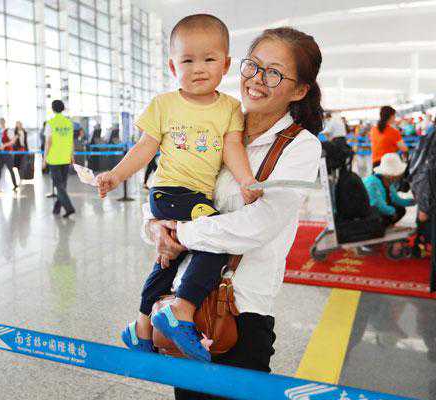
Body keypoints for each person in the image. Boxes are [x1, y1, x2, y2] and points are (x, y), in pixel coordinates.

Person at [137, 26, 323, 398]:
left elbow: (258, 225)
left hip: (240, 313)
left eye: (274, 73)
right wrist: (155, 226)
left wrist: (181, 234)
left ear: (299, 90)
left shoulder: (300, 146)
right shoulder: (216, 117)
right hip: (183, 305)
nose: (257, 80)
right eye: (253, 65)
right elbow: (165, 182)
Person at [97, 14, 261, 362]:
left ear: (226, 64)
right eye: (187, 61)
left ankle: (141, 328)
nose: (198, 68)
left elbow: (232, 147)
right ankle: (181, 311)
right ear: (173, 67)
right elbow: (144, 148)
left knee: (168, 258)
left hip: (197, 197)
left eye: (209, 59)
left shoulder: (230, 108)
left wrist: (246, 180)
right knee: (216, 238)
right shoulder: (164, 104)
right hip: (169, 192)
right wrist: (115, 175)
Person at [363, 153, 415, 259]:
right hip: (369, 214)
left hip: (380, 211)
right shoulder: (372, 183)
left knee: (401, 210)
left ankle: (383, 228)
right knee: (390, 213)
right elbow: (377, 204)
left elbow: (397, 200)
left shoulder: (388, 181)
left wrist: (413, 202)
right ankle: (370, 238)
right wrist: (392, 212)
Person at [42, 100, 76, 218]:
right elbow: (71, 141)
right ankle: (57, 208)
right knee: (62, 185)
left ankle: (69, 208)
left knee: (59, 185)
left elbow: (48, 142)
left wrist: (44, 159)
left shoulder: (50, 123)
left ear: (52, 109)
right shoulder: (69, 123)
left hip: (54, 159)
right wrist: (72, 156)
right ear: (63, 108)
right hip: (65, 158)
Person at [0, 118, 19, 193]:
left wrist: (4, 145)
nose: (1, 123)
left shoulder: (8, 131)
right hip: (0, 154)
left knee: (10, 170)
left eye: (2, 122)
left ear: (4, 122)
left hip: (7, 154)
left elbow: (13, 141)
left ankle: (15, 184)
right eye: (0, 122)